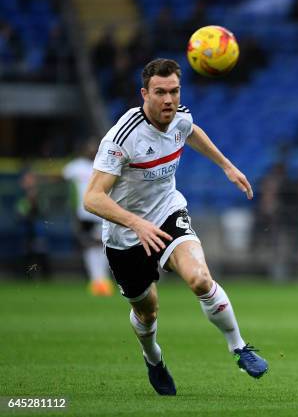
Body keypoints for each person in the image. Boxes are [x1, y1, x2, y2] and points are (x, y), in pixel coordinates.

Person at [83, 58, 268, 396]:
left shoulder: (179, 115)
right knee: (147, 311)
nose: (168, 100)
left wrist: (226, 165)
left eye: (174, 91)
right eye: (160, 93)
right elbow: (92, 198)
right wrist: (136, 224)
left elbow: (191, 131)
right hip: (125, 233)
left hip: (167, 213)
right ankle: (153, 358)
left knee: (200, 278)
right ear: (144, 94)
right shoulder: (123, 137)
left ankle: (239, 347)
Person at [63, 139, 114, 296]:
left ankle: (101, 279)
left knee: (104, 245)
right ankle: (97, 279)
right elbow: (63, 175)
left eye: (94, 149)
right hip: (85, 212)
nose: (92, 151)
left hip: (103, 212)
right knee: (89, 245)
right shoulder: (76, 166)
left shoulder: (105, 164)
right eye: (89, 148)